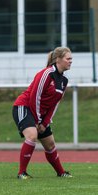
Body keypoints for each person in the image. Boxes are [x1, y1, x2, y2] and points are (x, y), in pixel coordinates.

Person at [12, 47, 73, 180]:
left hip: (40, 114)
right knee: (32, 135)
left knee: (50, 143)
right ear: (58, 59)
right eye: (68, 58)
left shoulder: (64, 81)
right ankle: (22, 173)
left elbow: (55, 104)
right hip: (24, 107)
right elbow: (35, 97)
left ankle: (61, 172)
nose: (70, 61)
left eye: (71, 59)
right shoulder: (46, 74)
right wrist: (37, 120)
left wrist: (44, 123)